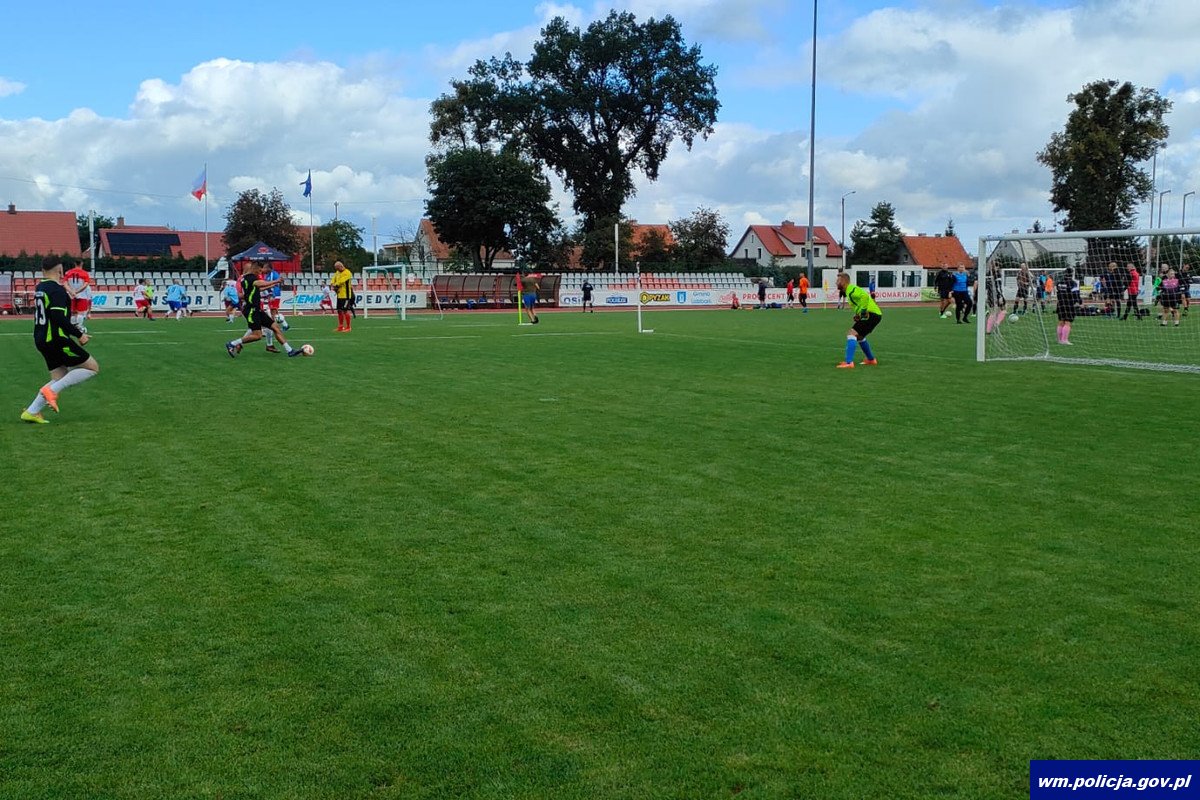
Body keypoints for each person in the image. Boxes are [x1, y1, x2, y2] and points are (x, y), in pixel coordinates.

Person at [21, 256, 100, 424]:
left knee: (59, 376)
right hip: (55, 338)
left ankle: (31, 411)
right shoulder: (57, 290)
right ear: (60, 271)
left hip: (41, 338)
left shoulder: (41, 287)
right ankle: (52, 391)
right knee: (92, 367)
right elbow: (58, 318)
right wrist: (79, 334)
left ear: (43, 271)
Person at [225, 267, 307, 358]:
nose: (261, 273)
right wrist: (276, 281)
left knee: (275, 327)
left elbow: (258, 288)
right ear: (254, 269)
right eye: (260, 270)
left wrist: (272, 285)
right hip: (252, 310)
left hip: (258, 310)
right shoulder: (250, 278)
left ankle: (290, 350)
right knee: (257, 335)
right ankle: (232, 343)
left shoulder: (246, 279)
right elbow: (259, 284)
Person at [835, 272, 882, 369]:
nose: (836, 283)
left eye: (838, 280)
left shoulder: (851, 290)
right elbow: (860, 303)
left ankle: (849, 363)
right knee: (859, 337)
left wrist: (863, 312)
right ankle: (871, 359)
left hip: (871, 314)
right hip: (875, 314)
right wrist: (858, 315)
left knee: (851, 334)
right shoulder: (849, 291)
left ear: (843, 281)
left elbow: (865, 296)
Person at [63, 261, 93, 333]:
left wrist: (71, 292)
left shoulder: (68, 273)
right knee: (80, 313)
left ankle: (72, 328)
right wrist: (77, 291)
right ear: (82, 264)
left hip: (71, 295)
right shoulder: (85, 273)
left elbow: (65, 284)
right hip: (82, 295)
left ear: (75, 264)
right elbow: (85, 285)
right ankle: (79, 328)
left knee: (73, 313)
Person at [1055, 267, 1081, 345]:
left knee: (1061, 322)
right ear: (1072, 274)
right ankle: (1064, 340)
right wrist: (1079, 302)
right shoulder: (1073, 283)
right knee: (1068, 322)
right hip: (1069, 304)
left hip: (1060, 303)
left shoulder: (1059, 283)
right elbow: (1076, 294)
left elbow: (1058, 292)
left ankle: (1059, 340)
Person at [331, 261, 354, 332]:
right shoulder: (337, 272)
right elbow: (333, 278)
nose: (337, 270)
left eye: (338, 268)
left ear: (341, 266)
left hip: (346, 296)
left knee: (345, 311)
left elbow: (342, 281)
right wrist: (332, 283)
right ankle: (340, 326)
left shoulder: (347, 273)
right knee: (339, 310)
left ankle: (348, 327)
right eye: (336, 269)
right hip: (339, 295)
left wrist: (336, 284)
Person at [984, 265, 1007, 333]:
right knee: (1004, 309)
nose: (998, 268)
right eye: (997, 266)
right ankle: (997, 322)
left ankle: (988, 330)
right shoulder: (997, 274)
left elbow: (986, 286)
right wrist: (1000, 296)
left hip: (989, 294)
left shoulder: (987, 274)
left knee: (992, 312)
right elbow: (999, 287)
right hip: (997, 294)